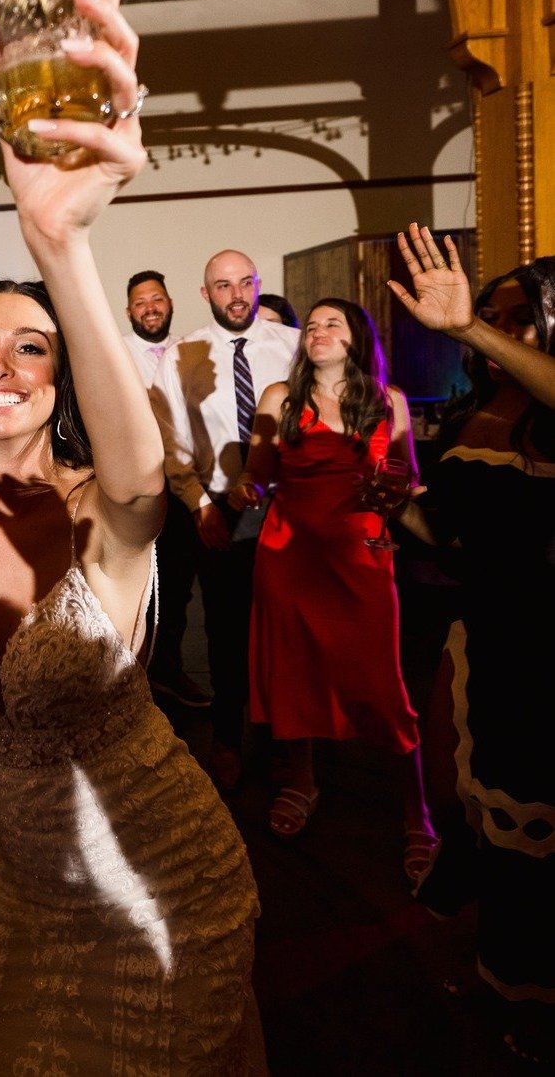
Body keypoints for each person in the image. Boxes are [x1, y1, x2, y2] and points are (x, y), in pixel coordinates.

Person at [0, 0, 264, 1076]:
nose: (1, 362)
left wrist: (61, 244)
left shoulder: (104, 510)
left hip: (161, 873)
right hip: (23, 894)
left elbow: (145, 472)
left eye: (32, 345)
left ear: (62, 381)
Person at [389, 224, 555, 1066]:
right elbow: (447, 532)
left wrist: (466, 326)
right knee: (486, 810)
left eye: (519, 318)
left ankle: (534, 1003)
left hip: (548, 643)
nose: (497, 332)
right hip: (485, 633)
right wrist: (395, 507)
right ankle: (503, 978)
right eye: (493, 317)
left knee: (541, 820)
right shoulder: (469, 411)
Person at [229, 298, 436, 877]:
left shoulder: (386, 402)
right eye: (312, 325)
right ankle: (302, 779)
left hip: (361, 560)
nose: (318, 331)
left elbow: (406, 480)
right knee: (297, 675)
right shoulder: (280, 399)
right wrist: (246, 488)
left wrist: (397, 491)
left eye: (332, 323)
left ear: (357, 338)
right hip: (289, 559)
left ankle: (417, 812)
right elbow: (256, 472)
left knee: (380, 683)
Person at [152, 251, 300, 789]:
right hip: (221, 510)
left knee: (287, 634)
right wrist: (200, 506)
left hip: (289, 511)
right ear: (205, 293)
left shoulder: (292, 346)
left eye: (244, 283)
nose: (236, 294)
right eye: (222, 285)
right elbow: (170, 438)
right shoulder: (182, 353)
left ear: (258, 284)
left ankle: (290, 748)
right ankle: (228, 739)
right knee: (225, 630)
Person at [123, 269, 208, 709]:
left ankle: (169, 675)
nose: (150, 307)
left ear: (170, 302)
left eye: (156, 299)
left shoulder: (192, 350)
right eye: (141, 302)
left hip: (186, 484)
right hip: (135, 486)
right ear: (128, 311)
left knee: (178, 587)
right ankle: (132, 684)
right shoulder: (116, 355)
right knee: (133, 589)